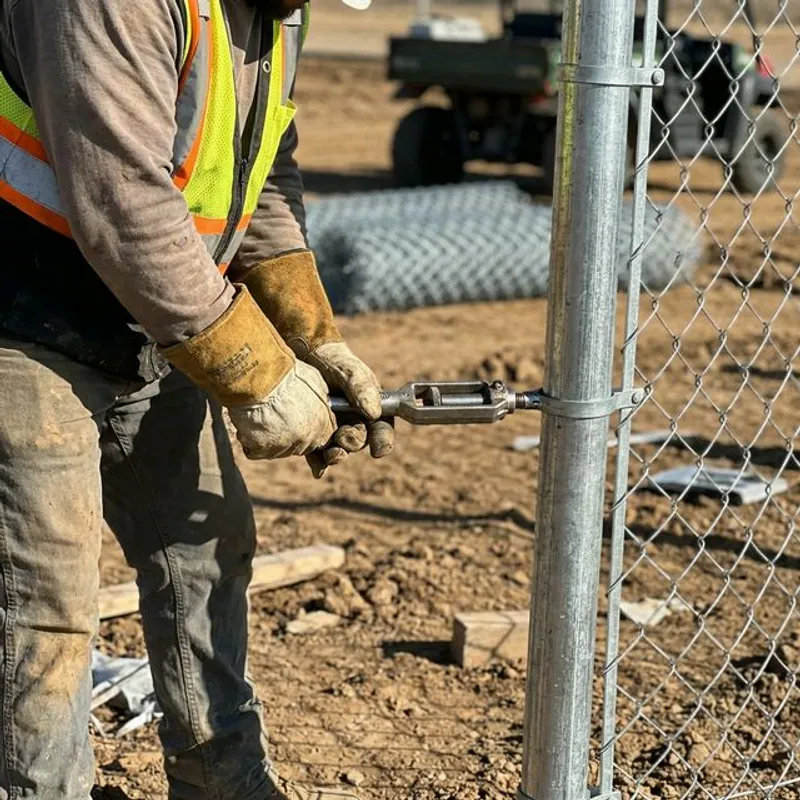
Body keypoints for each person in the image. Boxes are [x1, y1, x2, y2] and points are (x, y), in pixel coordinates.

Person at [0, 0, 391, 797]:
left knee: (206, 554)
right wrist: (257, 376)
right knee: (46, 609)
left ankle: (225, 784)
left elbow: (260, 172)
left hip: (153, 317)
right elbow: (123, 198)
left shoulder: (275, 10)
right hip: (22, 315)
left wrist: (310, 335)